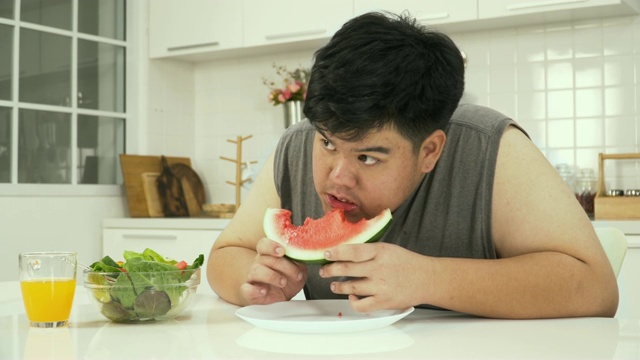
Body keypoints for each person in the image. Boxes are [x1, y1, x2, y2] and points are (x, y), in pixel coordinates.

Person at [207, 11, 618, 319]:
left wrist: (428, 278)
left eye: (368, 156)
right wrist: (254, 282)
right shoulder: (297, 146)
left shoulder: (491, 147)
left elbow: (596, 289)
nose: (337, 177)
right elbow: (227, 254)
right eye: (328, 142)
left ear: (430, 151)